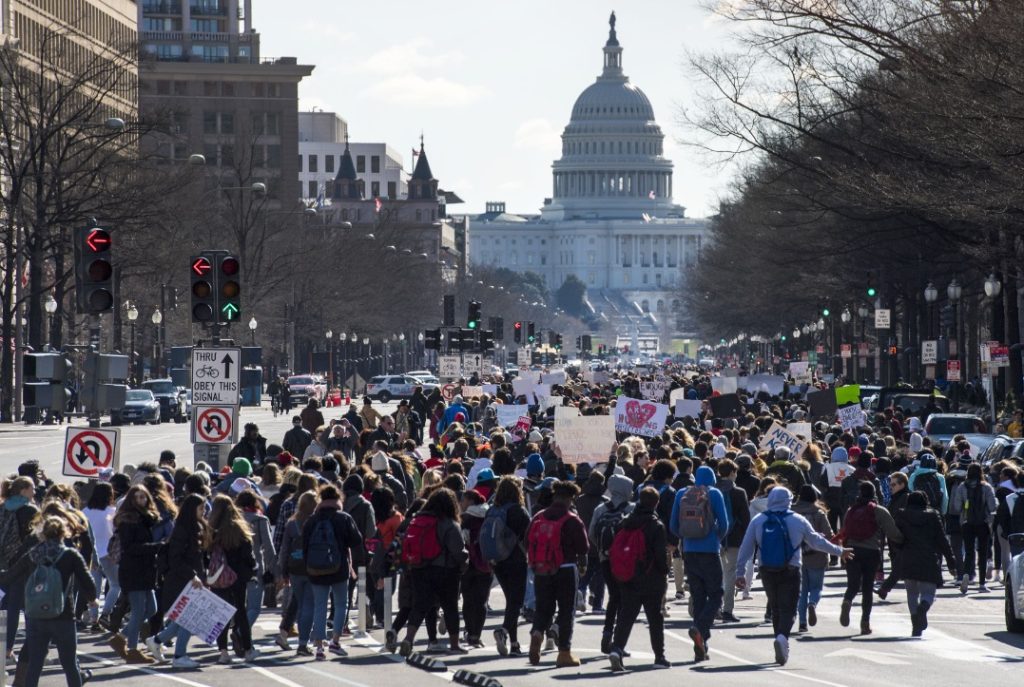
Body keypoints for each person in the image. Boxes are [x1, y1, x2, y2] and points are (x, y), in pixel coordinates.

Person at [735, 487, 851, 665]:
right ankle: (782, 638)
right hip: (791, 568)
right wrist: (839, 551)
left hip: (766, 569)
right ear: (788, 501)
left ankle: (779, 639)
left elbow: (746, 547)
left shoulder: (759, 520)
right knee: (789, 608)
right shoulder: (797, 520)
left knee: (775, 608)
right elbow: (816, 541)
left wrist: (740, 572)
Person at [0, 516, 96, 687]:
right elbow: (88, 582)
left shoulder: (33, 554)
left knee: (35, 664)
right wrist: (92, 600)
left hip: (36, 616)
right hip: (63, 614)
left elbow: (8, 576)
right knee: (69, 664)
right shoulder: (70, 555)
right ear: (64, 533)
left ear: (42, 534)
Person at [669, 465, 730, 663]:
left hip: (689, 551)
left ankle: (702, 645)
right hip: (710, 550)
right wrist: (715, 539)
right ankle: (700, 629)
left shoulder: (681, 493)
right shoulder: (715, 494)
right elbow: (725, 524)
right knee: (716, 594)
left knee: (698, 595)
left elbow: (673, 526)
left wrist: (686, 538)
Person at [607, 487, 671, 671]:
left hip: (627, 575)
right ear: (656, 503)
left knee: (626, 615)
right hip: (651, 578)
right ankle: (659, 656)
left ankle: (617, 649)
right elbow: (659, 555)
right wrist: (664, 570)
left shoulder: (626, 522)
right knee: (655, 619)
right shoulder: (656, 525)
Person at [398, 488, 468, 657]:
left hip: (419, 568)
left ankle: (408, 638)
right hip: (445, 571)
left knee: (420, 606)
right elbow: (458, 551)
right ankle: (454, 644)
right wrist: (466, 559)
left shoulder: (418, 519)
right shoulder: (450, 524)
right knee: (450, 607)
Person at [527, 480, 588, 668]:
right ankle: (564, 653)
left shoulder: (539, 516)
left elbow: (527, 540)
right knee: (566, 610)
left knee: (543, 607)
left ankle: (537, 633)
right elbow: (583, 547)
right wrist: (583, 565)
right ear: (570, 498)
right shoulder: (572, 519)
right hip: (566, 568)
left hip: (542, 568)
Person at [145, 494, 209, 668]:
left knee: (185, 619)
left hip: (189, 580)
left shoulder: (193, 527)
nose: (204, 511)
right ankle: (179, 655)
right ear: (191, 509)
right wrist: (193, 575)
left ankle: (157, 640)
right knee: (188, 619)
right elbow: (176, 558)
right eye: (201, 508)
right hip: (181, 580)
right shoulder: (182, 529)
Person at [834, 482, 903, 635]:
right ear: (874, 493)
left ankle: (847, 601)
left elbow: (845, 531)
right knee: (867, 589)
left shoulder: (851, 510)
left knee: (852, 584)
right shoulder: (879, 511)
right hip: (871, 552)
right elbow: (892, 532)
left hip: (852, 550)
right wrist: (904, 541)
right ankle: (865, 622)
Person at [303, 484, 362, 661]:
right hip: (339, 568)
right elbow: (356, 540)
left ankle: (319, 646)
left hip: (315, 569)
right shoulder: (344, 518)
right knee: (341, 604)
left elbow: (304, 545)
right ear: (338, 499)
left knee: (320, 606)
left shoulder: (312, 520)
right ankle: (335, 641)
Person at [110, 485, 162, 664]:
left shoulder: (146, 519)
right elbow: (130, 548)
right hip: (133, 571)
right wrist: (156, 547)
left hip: (146, 570)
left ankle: (121, 638)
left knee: (151, 609)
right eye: (138, 497)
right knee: (139, 611)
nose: (141, 500)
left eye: (144, 497)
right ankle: (132, 650)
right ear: (131, 500)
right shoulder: (128, 521)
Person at [894, 491, 957, 636]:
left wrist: (898, 550)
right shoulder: (933, 515)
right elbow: (942, 540)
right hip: (928, 558)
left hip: (908, 557)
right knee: (929, 593)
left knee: (911, 593)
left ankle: (915, 623)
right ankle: (924, 607)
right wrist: (951, 562)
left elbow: (895, 536)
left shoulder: (901, 515)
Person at [207, 494, 259, 664]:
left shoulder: (212, 530)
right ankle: (248, 649)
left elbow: (206, 554)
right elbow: (248, 555)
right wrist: (252, 569)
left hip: (218, 576)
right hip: (238, 576)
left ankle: (223, 652)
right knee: (241, 612)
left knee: (221, 613)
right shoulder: (239, 528)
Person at [588, 473, 634, 653]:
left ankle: (607, 633)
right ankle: (617, 641)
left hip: (605, 558)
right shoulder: (631, 508)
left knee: (613, 596)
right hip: (625, 559)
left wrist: (602, 550)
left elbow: (592, 533)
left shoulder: (601, 509)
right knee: (625, 599)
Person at [487, 476, 531, 657]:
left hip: (497, 561)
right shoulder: (519, 511)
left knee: (511, 602)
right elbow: (528, 535)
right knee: (516, 602)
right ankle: (504, 631)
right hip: (516, 561)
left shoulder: (493, 510)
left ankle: (514, 644)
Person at [0, 475, 40, 653]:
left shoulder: (3, 508)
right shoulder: (30, 510)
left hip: (3, 562)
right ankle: (8, 648)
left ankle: (7, 646)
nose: (35, 491)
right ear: (23, 490)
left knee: (8, 604)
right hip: (22, 564)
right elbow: (37, 538)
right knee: (20, 606)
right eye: (32, 488)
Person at [276, 491, 319, 655]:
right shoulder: (316, 522)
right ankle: (303, 643)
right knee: (308, 605)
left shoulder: (292, 523)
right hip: (313, 567)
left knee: (298, 601)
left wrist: (284, 571)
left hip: (295, 568)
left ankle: (286, 633)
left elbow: (285, 549)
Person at [791, 484, 833, 632]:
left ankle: (802, 623)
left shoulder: (792, 512)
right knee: (816, 587)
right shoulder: (819, 513)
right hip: (817, 555)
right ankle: (813, 603)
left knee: (802, 591)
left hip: (797, 556)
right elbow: (829, 535)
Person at [950, 462, 997, 593]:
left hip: (966, 523)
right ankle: (982, 584)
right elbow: (992, 506)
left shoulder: (962, 487)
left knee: (969, 552)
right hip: (983, 523)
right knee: (982, 553)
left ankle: (966, 575)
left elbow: (957, 507)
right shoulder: (986, 487)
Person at [236, 489, 276, 629]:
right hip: (256, 565)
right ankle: (242, 634)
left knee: (239, 606)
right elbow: (268, 547)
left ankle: (244, 638)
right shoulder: (260, 520)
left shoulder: (233, 520)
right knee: (254, 607)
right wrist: (273, 569)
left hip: (234, 567)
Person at [716, 459, 750, 623]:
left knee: (716, 574)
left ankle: (714, 607)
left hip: (712, 539)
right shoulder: (739, 492)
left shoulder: (711, 490)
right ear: (731, 473)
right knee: (730, 574)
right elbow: (745, 519)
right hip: (733, 538)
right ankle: (727, 610)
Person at [82, 482, 118, 632]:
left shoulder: (85, 511)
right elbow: (115, 532)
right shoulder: (111, 512)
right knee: (116, 585)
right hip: (108, 553)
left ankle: (94, 619)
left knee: (94, 588)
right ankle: (106, 613)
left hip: (91, 554)